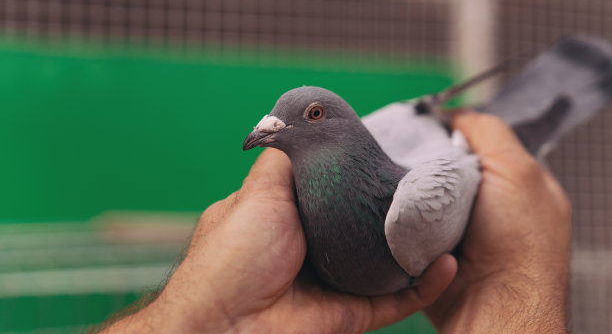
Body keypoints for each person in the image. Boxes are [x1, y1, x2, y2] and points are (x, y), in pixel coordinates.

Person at [97, 112, 571, 333]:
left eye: (312, 115)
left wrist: (511, 277)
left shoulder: (414, 208)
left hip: (446, 156)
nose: (269, 126)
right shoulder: (291, 193)